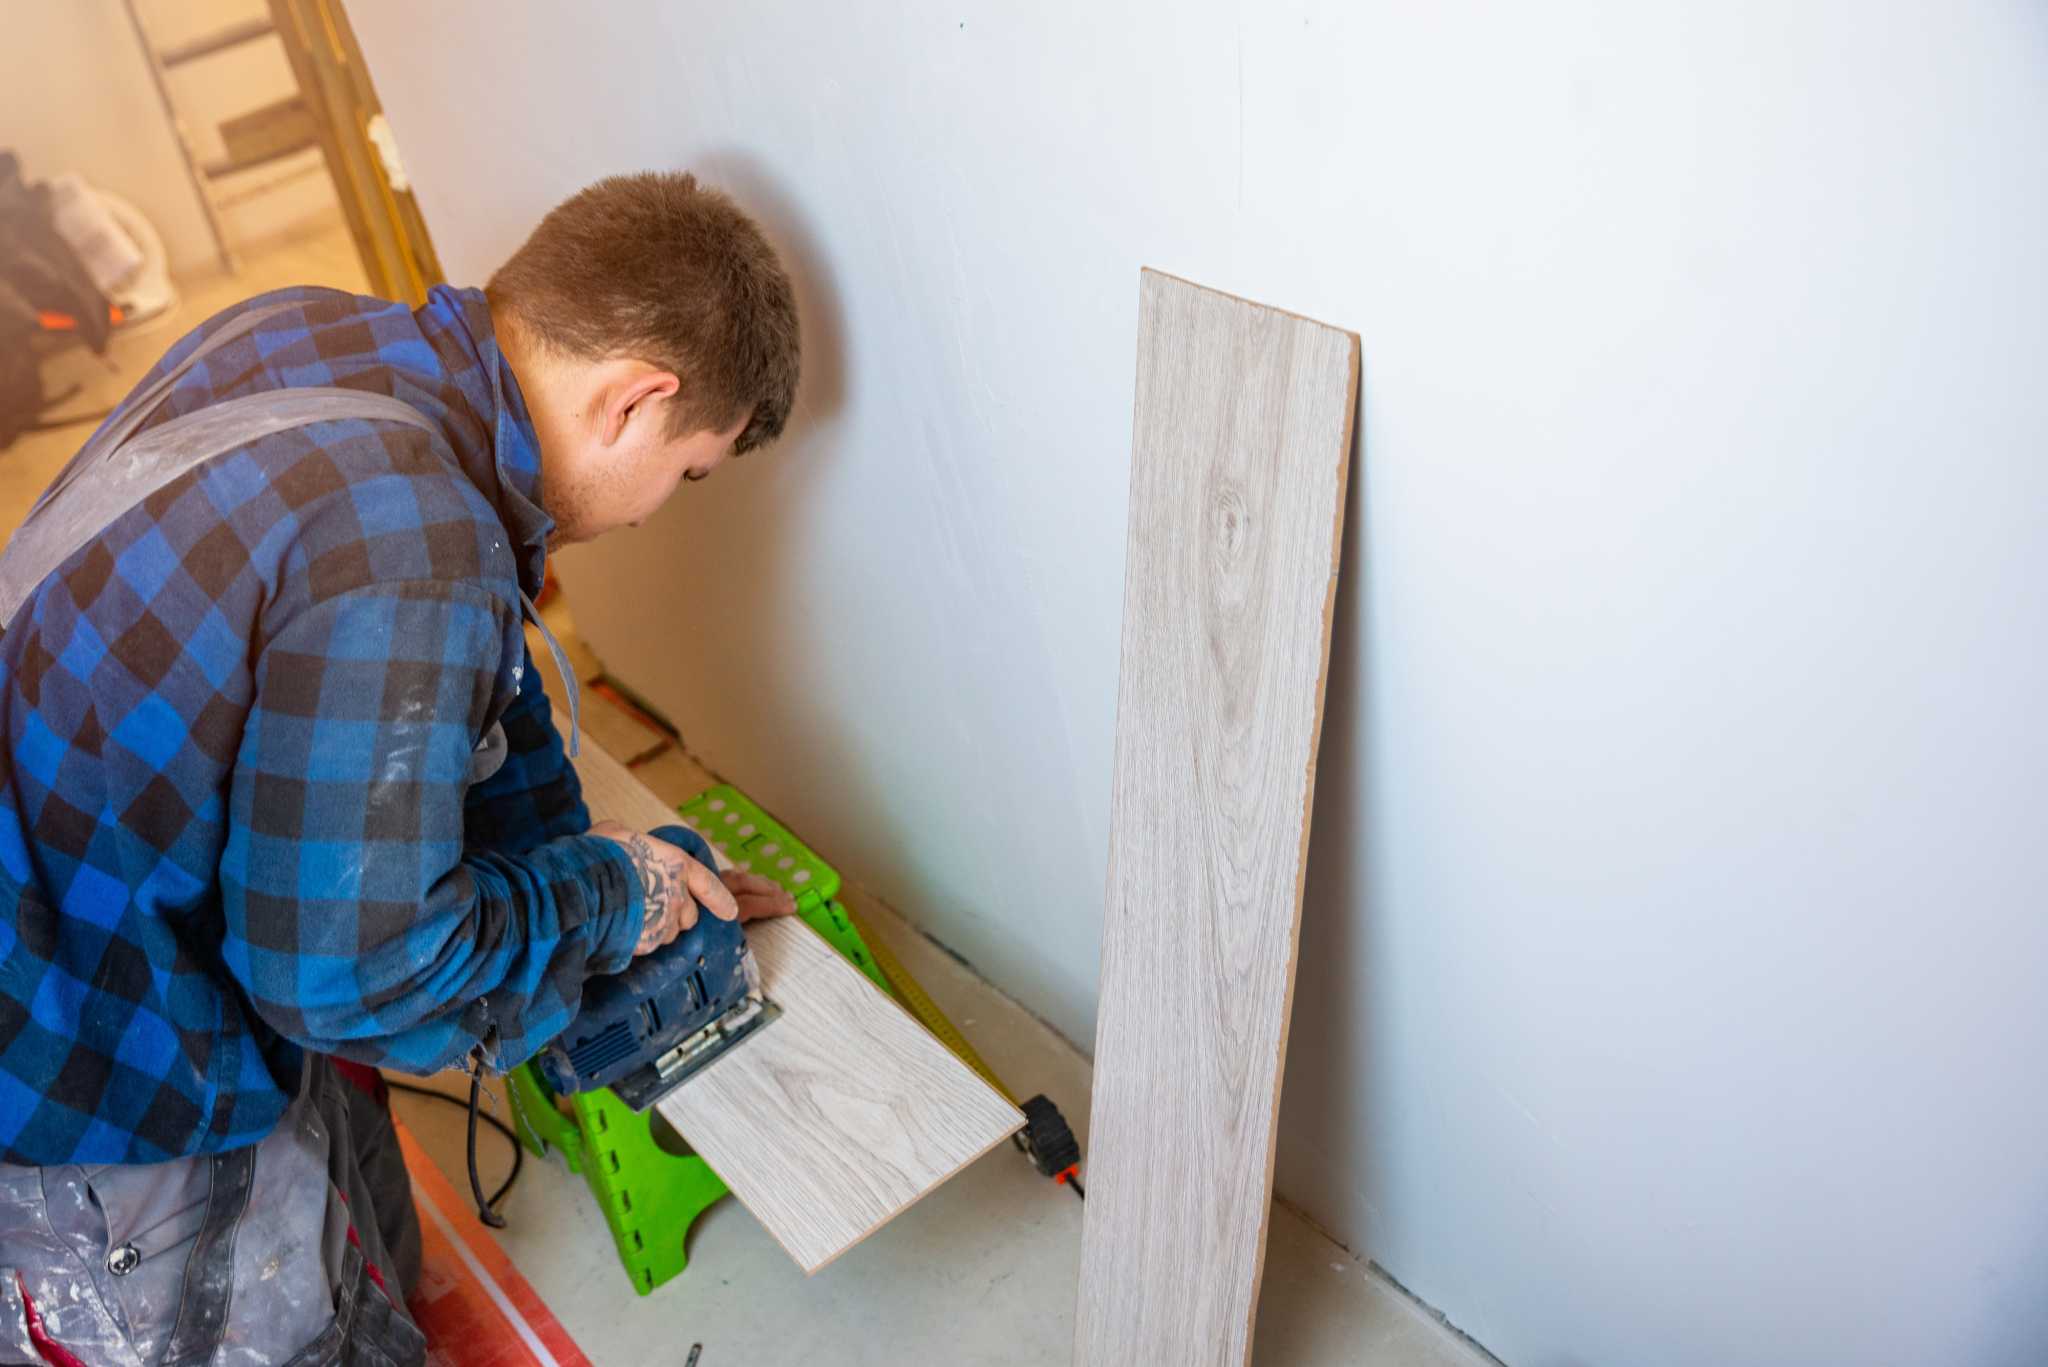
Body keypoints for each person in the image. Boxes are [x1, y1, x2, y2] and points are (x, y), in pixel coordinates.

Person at [0, 171, 802, 1364]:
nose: (652, 514)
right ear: (637, 399)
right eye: (687, 471)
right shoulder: (414, 538)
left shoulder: (314, 336)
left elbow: (429, 701)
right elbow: (354, 975)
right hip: (88, 1053)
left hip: (94, 892)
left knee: (372, 1226)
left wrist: (615, 871)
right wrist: (611, 895)